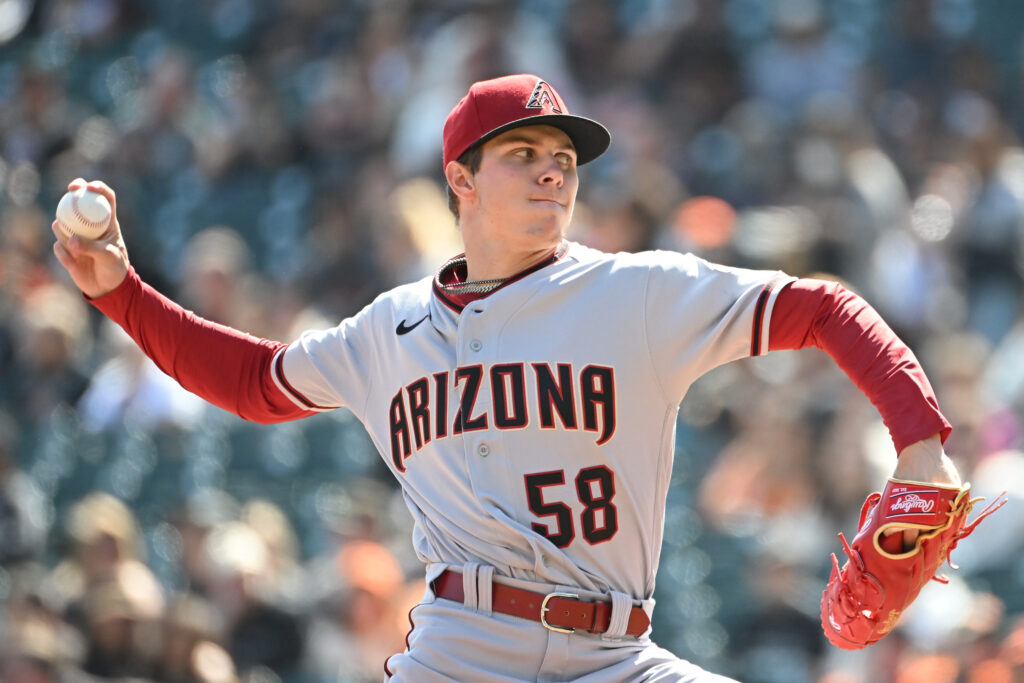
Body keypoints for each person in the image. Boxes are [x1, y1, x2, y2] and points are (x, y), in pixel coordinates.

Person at [52, 74, 962, 682]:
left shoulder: (637, 292)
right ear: (462, 180)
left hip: (615, 652)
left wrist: (923, 445)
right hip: (461, 649)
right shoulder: (388, 330)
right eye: (524, 154)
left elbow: (823, 308)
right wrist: (123, 293)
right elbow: (254, 381)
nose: (553, 173)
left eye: (563, 161)